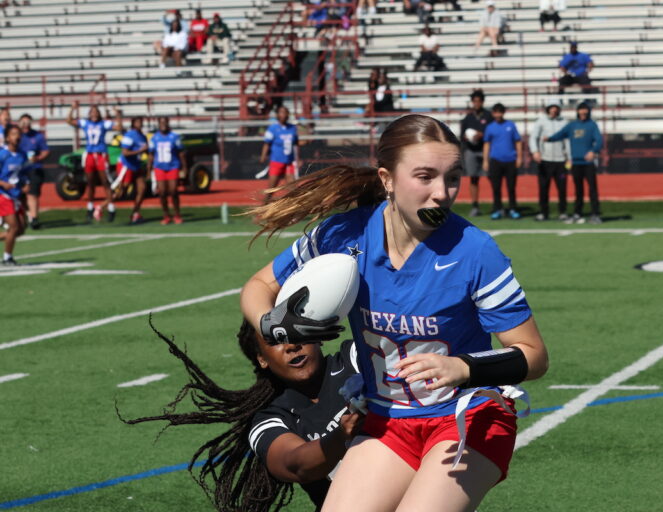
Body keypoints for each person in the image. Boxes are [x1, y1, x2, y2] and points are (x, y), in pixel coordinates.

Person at [241, 114, 549, 512]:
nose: (442, 193)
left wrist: (463, 367)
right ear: (387, 179)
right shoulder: (342, 235)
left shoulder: (476, 252)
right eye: (425, 176)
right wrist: (271, 324)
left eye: (452, 177)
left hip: (468, 416)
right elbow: (258, 287)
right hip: (386, 419)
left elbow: (534, 356)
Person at [122, 318, 364, 511]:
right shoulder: (269, 418)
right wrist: (341, 435)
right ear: (262, 359)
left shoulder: (356, 357)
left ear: (317, 336)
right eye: (276, 341)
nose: (291, 346)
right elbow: (295, 465)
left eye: (296, 333)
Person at [546, 102, 603, 224]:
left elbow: (599, 141)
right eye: (581, 110)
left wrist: (593, 151)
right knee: (578, 190)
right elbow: (560, 134)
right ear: (577, 112)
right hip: (576, 163)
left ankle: (595, 214)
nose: (583, 113)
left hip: (588, 163)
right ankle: (577, 213)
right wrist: (549, 138)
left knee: (592, 189)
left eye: (585, 111)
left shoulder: (592, 125)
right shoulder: (572, 125)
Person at [66, 102, 121, 222]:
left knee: (105, 182)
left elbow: (119, 127)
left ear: (99, 114)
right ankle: (90, 207)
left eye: (96, 112)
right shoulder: (86, 123)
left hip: (101, 154)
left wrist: (117, 115)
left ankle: (111, 208)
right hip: (90, 155)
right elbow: (69, 121)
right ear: (89, 114)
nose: (94, 114)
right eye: (92, 112)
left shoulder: (103, 124)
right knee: (90, 183)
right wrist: (73, 109)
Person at [529, 99, 569, 221]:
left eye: (556, 107)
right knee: (543, 187)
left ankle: (562, 212)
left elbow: (567, 140)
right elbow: (533, 138)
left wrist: (568, 156)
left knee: (562, 188)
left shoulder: (564, 122)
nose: (554, 110)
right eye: (551, 107)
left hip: (560, 161)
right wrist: (535, 151)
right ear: (547, 109)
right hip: (545, 161)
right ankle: (543, 212)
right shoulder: (541, 122)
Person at [483, 103, 523, 220]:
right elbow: (486, 144)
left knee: (511, 187)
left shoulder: (511, 125)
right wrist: (486, 161)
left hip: (510, 160)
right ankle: (497, 209)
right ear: (493, 113)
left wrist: (519, 157)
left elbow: (518, 142)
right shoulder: (490, 127)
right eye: (496, 112)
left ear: (503, 112)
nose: (498, 114)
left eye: (500, 112)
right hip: (495, 161)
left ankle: (513, 209)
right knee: (496, 187)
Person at [147, 116, 187, 225]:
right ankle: (166, 215)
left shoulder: (174, 137)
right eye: (161, 123)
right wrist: (149, 170)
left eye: (165, 123)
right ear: (158, 124)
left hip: (172, 166)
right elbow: (151, 155)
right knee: (162, 192)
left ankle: (177, 214)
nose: (163, 125)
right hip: (159, 167)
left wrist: (184, 168)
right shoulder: (154, 138)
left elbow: (181, 153)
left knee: (173, 190)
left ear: (168, 123)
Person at [460, 89, 493, 217]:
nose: (476, 103)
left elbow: (492, 133)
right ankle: (475, 206)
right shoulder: (468, 118)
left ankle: (496, 205)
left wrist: (482, 135)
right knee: (473, 178)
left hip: (486, 150)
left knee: (492, 177)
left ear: (482, 102)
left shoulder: (488, 116)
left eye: (479, 101)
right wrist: (468, 137)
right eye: (474, 101)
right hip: (471, 151)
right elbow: (462, 136)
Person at [0, 126, 29, 266]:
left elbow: (22, 173)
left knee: (21, 228)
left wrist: (25, 183)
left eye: (18, 134)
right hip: (3, 195)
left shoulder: (22, 155)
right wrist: (2, 184)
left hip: (15, 195)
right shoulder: (2, 154)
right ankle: (7, 258)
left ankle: (7, 253)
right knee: (13, 226)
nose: (16, 137)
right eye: (13, 134)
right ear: (7, 138)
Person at [260, 106, 300, 203]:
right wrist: (263, 156)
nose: (284, 115)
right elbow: (267, 143)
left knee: (293, 190)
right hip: (277, 162)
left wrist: (297, 159)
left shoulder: (292, 128)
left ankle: (293, 214)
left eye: (285, 112)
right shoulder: (273, 128)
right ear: (278, 115)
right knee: (271, 190)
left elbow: (295, 144)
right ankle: (261, 212)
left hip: (289, 162)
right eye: (281, 112)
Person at [18, 114, 49, 230]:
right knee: (19, 195)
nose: (25, 124)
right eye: (23, 122)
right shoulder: (16, 135)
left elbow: (45, 151)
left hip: (34, 168)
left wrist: (38, 158)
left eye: (28, 122)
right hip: (19, 170)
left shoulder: (37, 136)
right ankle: (26, 216)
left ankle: (34, 218)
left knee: (32, 193)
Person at [116, 117, 148, 225]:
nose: (140, 124)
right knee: (122, 191)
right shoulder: (130, 135)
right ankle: (102, 207)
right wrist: (140, 151)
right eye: (138, 122)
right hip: (127, 165)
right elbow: (125, 152)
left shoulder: (143, 137)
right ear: (133, 124)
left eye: (141, 122)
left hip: (136, 165)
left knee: (142, 188)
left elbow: (146, 151)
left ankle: (135, 213)